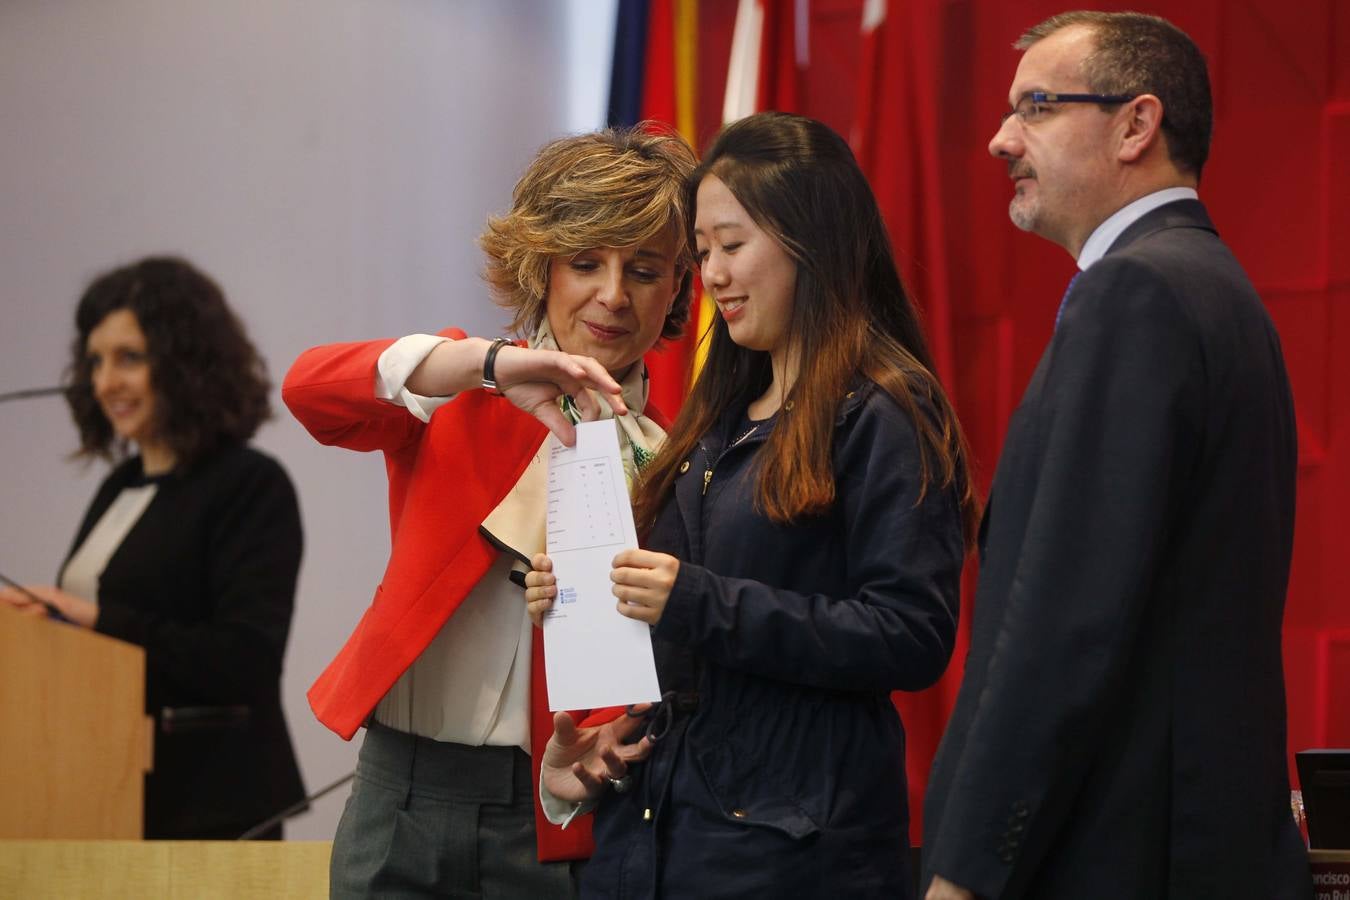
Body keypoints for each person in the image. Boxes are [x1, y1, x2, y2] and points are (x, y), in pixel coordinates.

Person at [525, 111, 978, 898]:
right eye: (702, 254)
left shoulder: (883, 410)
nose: (715, 275)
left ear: (812, 240)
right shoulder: (718, 413)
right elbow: (692, 634)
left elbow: (911, 634)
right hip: (660, 836)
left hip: (792, 852)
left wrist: (696, 600)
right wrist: (582, 599)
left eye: (732, 247)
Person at [921, 12, 1313, 900]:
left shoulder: (1135, 291)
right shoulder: (1211, 286)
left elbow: (1065, 618)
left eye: (1038, 107)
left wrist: (967, 872)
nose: (999, 139)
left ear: (1137, 125)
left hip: (1116, 858)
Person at [281, 125, 697, 898]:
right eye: (585, 263)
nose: (613, 295)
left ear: (678, 289)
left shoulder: (675, 457)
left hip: (555, 817)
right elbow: (307, 390)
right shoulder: (462, 389)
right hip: (399, 791)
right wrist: (487, 363)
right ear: (540, 266)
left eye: (644, 270)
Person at [0, 256, 306, 840]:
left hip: (206, 806)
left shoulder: (248, 484)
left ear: (186, 363)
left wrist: (96, 619)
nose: (104, 382)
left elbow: (246, 659)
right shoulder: (121, 486)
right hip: (95, 787)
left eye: (128, 358)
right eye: (95, 361)